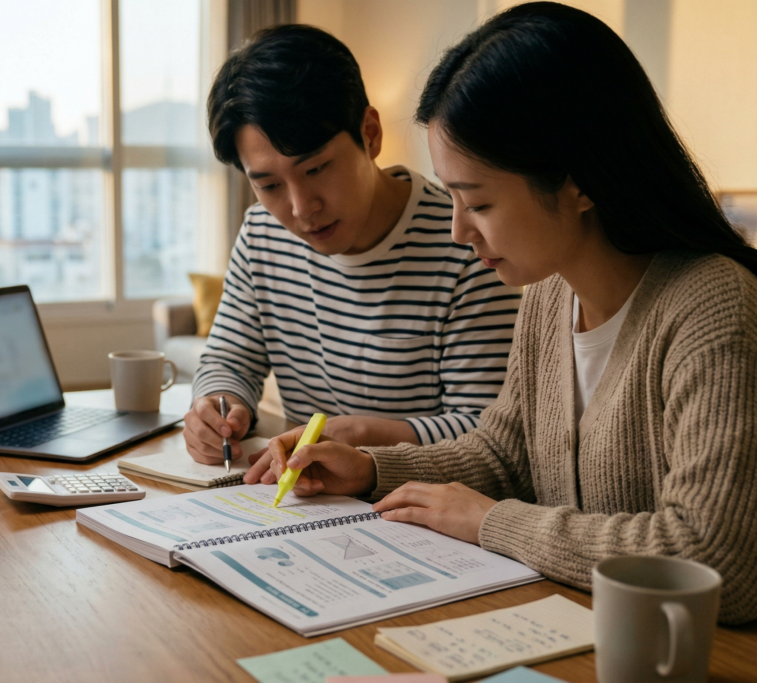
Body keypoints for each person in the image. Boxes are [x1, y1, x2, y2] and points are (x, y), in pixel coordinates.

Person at [245, 2, 757, 624]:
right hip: (572, 626)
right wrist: (370, 470)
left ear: (578, 183)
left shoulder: (713, 307)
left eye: (477, 202)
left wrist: (494, 522)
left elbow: (714, 561)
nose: (459, 231)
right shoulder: (549, 294)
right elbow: (505, 453)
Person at [185, 25, 522, 465]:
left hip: (423, 509)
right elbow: (231, 356)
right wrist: (218, 406)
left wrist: (365, 435)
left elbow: (490, 429)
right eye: (268, 185)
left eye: (317, 169)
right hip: (301, 507)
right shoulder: (262, 234)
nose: (301, 209)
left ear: (370, 133)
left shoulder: (467, 243)